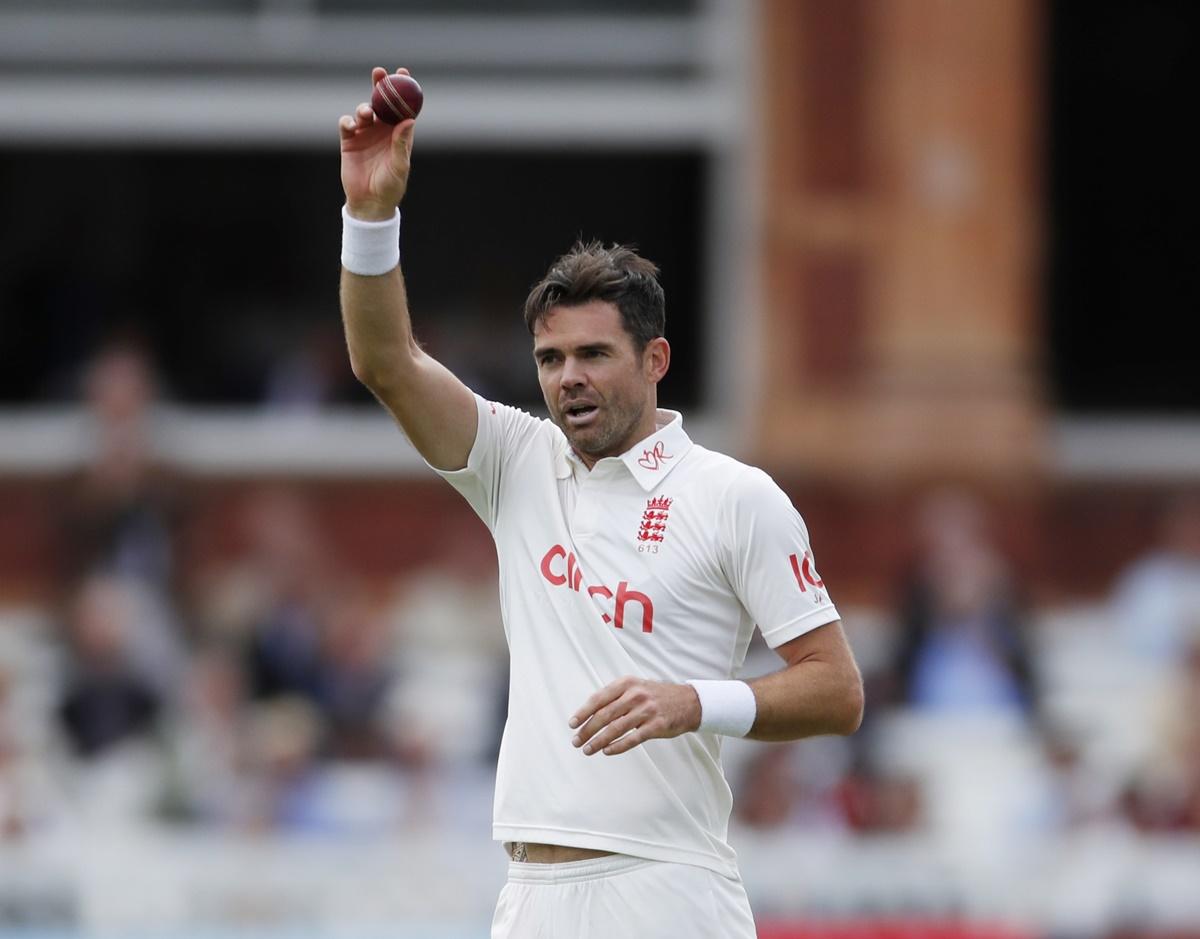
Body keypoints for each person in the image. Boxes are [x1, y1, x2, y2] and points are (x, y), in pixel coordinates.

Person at [337, 66, 864, 939]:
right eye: (550, 360)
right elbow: (385, 363)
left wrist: (697, 700)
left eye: (593, 354)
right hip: (529, 894)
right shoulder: (517, 460)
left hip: (665, 890)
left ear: (655, 360)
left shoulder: (733, 497)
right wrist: (370, 214)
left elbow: (837, 690)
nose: (568, 379)